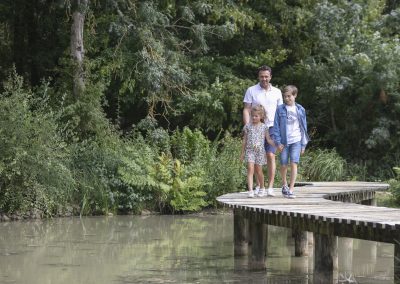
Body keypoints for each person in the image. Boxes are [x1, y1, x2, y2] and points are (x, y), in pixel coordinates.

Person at [243, 65, 283, 197]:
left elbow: (281, 112)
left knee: (270, 155)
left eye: (266, 76)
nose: (264, 79)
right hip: (255, 128)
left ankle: (270, 187)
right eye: (261, 76)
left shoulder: (277, 92)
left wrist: (281, 131)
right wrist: (247, 127)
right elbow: (247, 109)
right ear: (258, 77)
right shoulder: (251, 90)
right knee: (254, 159)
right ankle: (260, 186)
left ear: (270, 77)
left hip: (272, 127)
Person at [273, 85, 310, 199]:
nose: (287, 98)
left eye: (289, 96)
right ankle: (284, 185)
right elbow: (276, 126)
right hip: (284, 142)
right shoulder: (280, 109)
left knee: (294, 163)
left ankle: (291, 189)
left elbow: (304, 127)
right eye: (285, 96)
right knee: (283, 164)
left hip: (296, 140)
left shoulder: (300, 109)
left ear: (295, 95)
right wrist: (278, 142)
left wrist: (303, 144)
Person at [240, 105, 275, 198]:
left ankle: (262, 187)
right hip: (250, 151)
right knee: (250, 169)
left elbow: (268, 140)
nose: (254, 118)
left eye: (256, 116)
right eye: (252, 116)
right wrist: (242, 153)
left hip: (260, 152)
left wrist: (277, 145)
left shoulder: (264, 127)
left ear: (261, 116)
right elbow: (244, 140)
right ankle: (250, 190)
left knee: (259, 171)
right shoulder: (247, 126)